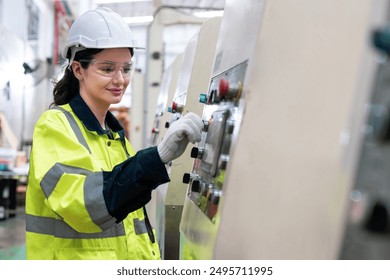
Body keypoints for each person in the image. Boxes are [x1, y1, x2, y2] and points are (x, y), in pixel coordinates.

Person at [25, 7, 203, 260]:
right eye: (108, 69)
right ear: (78, 70)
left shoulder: (117, 140)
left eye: (126, 68)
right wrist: (156, 157)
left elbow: (131, 231)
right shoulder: (55, 126)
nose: (120, 79)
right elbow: (84, 206)